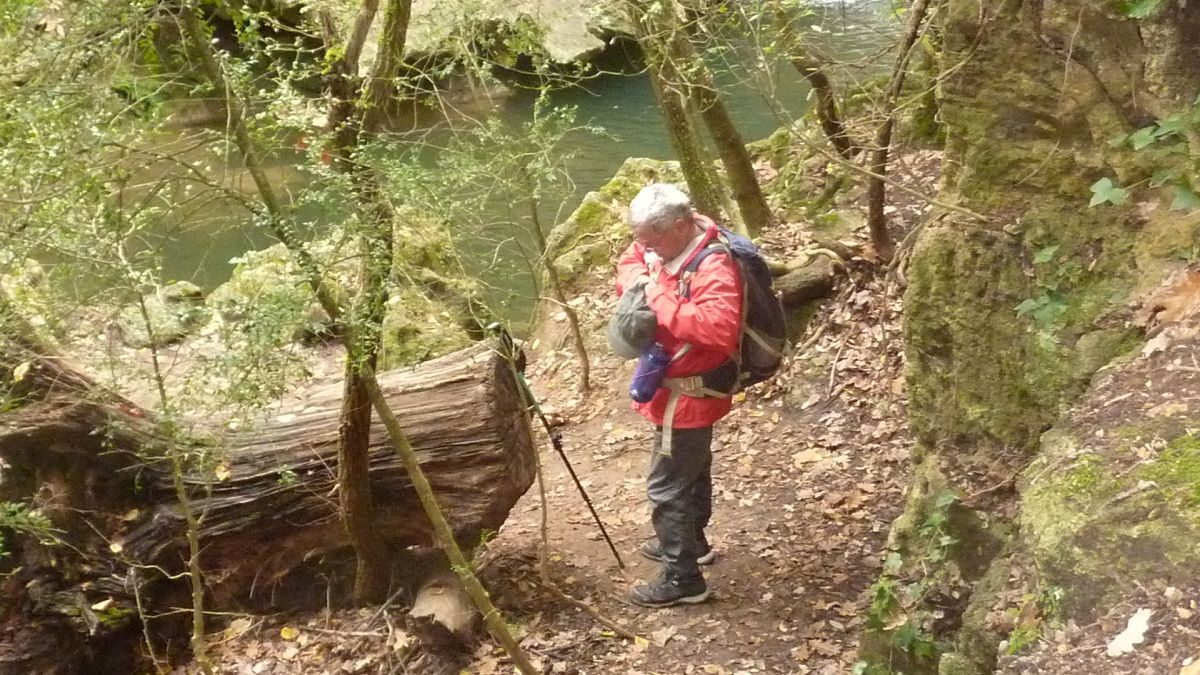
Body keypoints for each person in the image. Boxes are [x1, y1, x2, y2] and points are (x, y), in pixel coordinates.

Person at [614, 184, 743, 608]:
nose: (646, 247)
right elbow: (629, 262)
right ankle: (693, 540)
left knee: (666, 486)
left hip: (689, 394)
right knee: (692, 467)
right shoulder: (663, 244)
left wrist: (655, 296)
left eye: (653, 240)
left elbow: (717, 328)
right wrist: (641, 280)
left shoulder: (713, 266)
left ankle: (682, 577)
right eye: (643, 239)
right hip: (678, 390)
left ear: (681, 226)